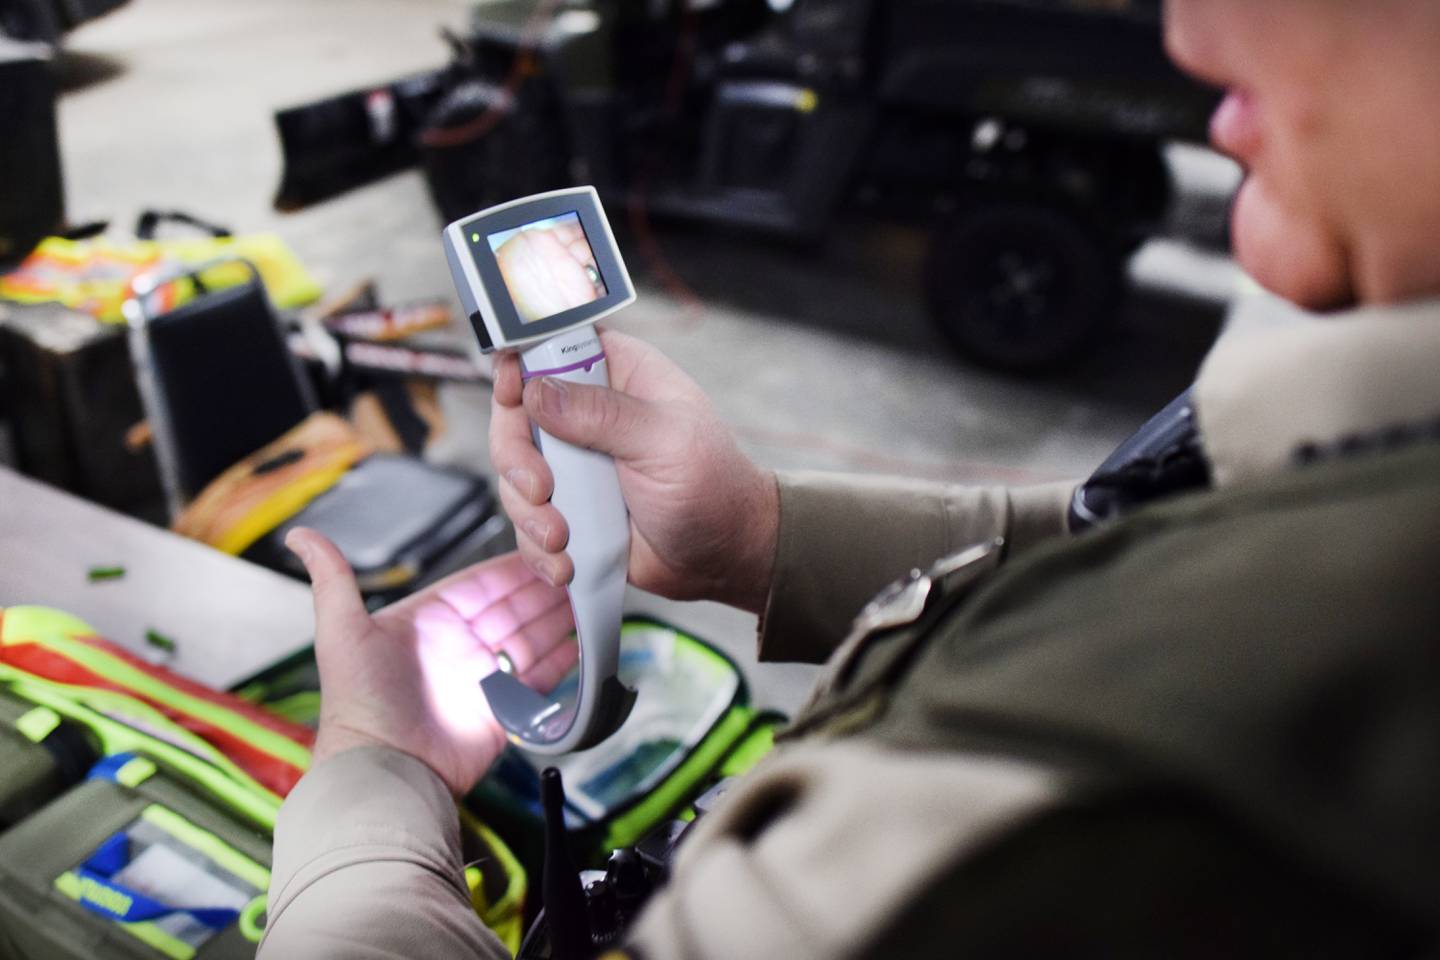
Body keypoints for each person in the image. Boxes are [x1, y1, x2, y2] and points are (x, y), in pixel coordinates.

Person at [260, 1, 1440, 956]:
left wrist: (377, 781)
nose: (1188, 29)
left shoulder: (1051, 822)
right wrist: (763, 536)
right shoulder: (1339, 454)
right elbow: (1134, 535)